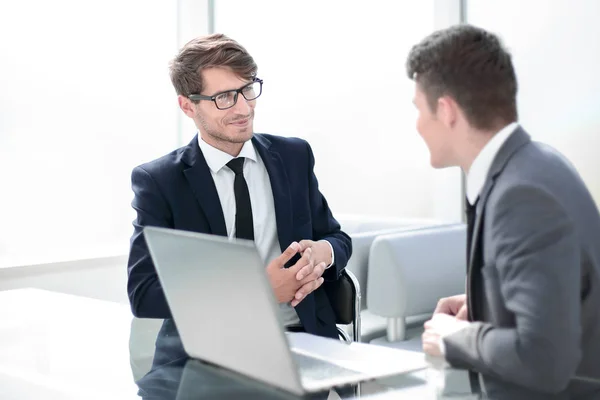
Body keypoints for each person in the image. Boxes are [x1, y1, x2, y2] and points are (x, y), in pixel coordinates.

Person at [407, 24, 600, 399]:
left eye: (418, 109)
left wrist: (458, 337)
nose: (416, 125)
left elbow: (543, 359)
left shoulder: (522, 196)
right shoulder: (537, 164)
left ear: (446, 110)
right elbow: (563, 297)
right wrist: (484, 304)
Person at [127, 33, 352, 340]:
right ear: (188, 106)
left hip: (300, 334)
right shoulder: (160, 181)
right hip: (208, 346)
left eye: (247, 89)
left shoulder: (294, 157)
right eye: (224, 97)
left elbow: (336, 238)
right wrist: (258, 288)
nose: (244, 108)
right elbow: (144, 293)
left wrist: (322, 253)